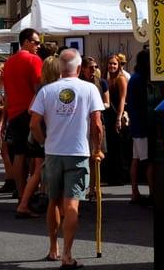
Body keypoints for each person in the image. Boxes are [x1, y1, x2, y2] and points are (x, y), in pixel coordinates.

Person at [30, 48, 105, 265]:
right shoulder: (89, 89)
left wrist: (44, 141)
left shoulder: (46, 90)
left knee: (53, 201)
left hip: (53, 152)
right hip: (78, 152)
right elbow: (97, 124)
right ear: (79, 68)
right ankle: (67, 255)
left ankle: (54, 248)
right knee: (72, 204)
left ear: (60, 68)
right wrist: (97, 149)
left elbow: (34, 123)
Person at [16, 55, 62, 219]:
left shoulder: (42, 88)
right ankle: (25, 204)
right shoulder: (49, 89)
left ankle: (32, 201)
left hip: (40, 135)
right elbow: (31, 111)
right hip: (44, 135)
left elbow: (30, 110)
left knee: (39, 171)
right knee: (40, 171)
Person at [3, 28, 43, 200]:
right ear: (26, 41)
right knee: (36, 155)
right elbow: (39, 88)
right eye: (36, 42)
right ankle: (31, 193)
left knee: (19, 154)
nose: (38, 46)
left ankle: (21, 194)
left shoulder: (9, 62)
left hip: (14, 113)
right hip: (30, 112)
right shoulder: (34, 60)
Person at [80, 57, 110, 200]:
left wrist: (97, 106)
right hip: (82, 122)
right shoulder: (79, 83)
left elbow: (107, 103)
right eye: (91, 67)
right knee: (84, 156)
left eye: (95, 66)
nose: (94, 69)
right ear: (83, 68)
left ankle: (95, 187)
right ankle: (86, 187)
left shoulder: (101, 82)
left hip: (97, 120)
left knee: (97, 156)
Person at [126, 49, 154, 205]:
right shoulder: (139, 80)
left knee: (136, 159)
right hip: (142, 125)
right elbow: (141, 104)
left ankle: (135, 192)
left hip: (136, 125)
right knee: (148, 161)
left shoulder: (134, 78)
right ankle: (152, 193)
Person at [104, 53, 129, 185]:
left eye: (114, 63)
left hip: (117, 115)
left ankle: (121, 177)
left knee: (119, 147)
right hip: (109, 116)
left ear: (119, 65)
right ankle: (113, 177)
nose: (112, 66)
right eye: (110, 63)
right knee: (112, 147)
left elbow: (122, 100)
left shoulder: (121, 79)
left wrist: (118, 119)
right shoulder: (108, 79)